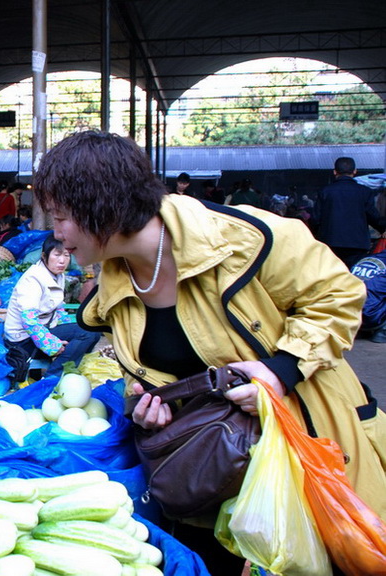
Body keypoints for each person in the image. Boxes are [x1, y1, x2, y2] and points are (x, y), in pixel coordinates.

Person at [33, 130, 386, 573]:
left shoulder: (245, 239)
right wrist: (144, 404)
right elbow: (148, 370)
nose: (53, 231)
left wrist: (281, 371)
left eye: (61, 216)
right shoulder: (114, 286)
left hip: (310, 448)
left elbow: (338, 296)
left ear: (102, 206)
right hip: (213, 472)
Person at [4, 235, 100, 382]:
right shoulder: (33, 279)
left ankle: (66, 367)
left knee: (92, 329)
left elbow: (58, 308)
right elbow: (29, 321)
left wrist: (67, 329)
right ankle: (52, 379)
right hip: (23, 341)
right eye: (57, 255)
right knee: (86, 333)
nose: (62, 261)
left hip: (41, 331)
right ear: (44, 256)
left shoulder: (57, 275)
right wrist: (52, 345)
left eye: (66, 255)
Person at [312, 156, 385, 268]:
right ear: (355, 171)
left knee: (332, 276)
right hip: (357, 244)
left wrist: (317, 236)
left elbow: (315, 219)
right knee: (354, 277)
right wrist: (383, 229)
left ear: (335, 172)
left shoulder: (325, 191)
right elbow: (372, 216)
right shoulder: (365, 192)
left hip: (330, 243)